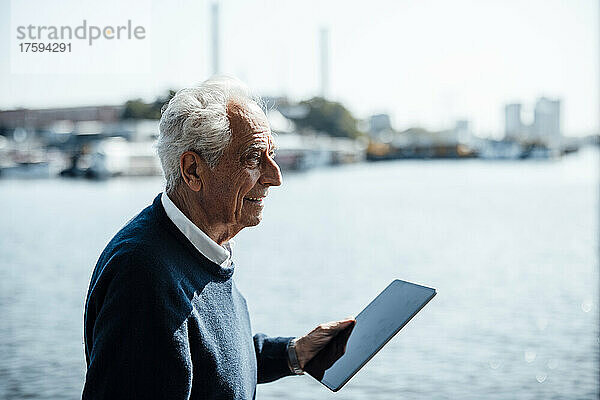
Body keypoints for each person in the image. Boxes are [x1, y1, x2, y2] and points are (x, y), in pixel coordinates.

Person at [82, 77, 354, 399]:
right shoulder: (144, 277)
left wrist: (293, 354)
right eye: (253, 158)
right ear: (194, 171)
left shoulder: (197, 246)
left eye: (272, 155)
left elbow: (208, 354)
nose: (275, 177)